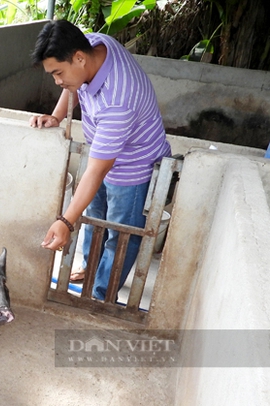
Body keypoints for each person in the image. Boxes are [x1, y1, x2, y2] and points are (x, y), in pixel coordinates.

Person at [30, 20, 171, 301]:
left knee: (120, 236)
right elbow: (71, 84)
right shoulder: (93, 43)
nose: (57, 81)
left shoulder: (118, 98)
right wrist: (57, 117)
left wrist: (65, 222)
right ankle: (89, 271)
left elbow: (96, 171)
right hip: (104, 150)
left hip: (133, 166)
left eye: (58, 73)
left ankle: (100, 296)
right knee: (94, 221)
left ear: (79, 58)